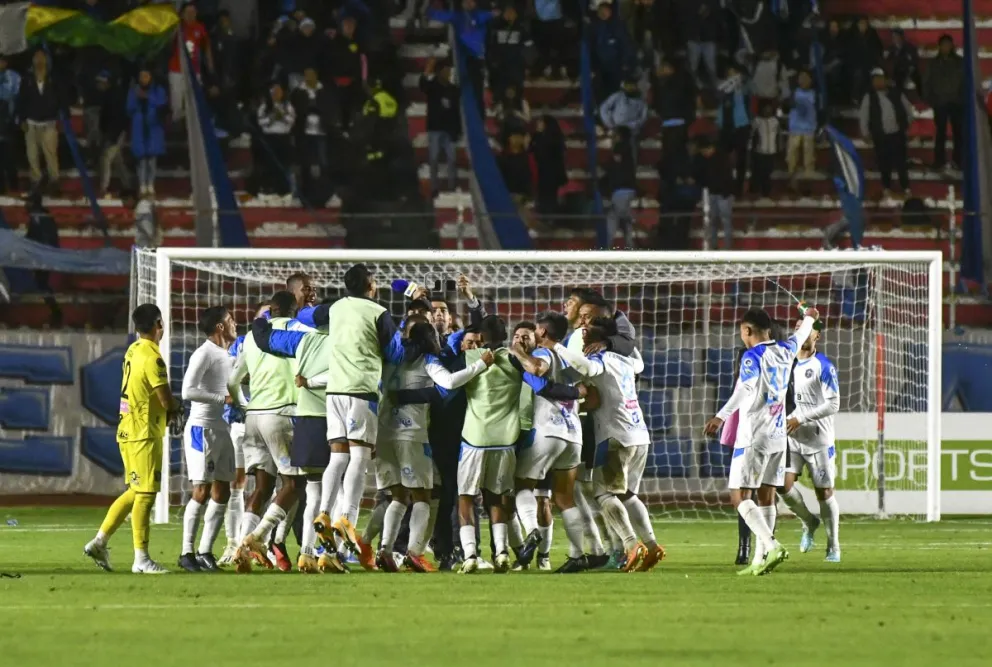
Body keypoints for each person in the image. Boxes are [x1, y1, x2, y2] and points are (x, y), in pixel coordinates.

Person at [308, 264, 420, 570]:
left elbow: (307, 317)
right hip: (361, 391)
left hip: (334, 392)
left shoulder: (333, 309)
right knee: (360, 457)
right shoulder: (377, 312)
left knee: (337, 457)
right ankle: (348, 518)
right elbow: (395, 354)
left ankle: (324, 514)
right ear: (370, 286)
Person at [703, 303, 821, 576]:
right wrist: (810, 316)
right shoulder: (785, 349)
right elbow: (802, 334)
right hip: (779, 436)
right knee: (767, 497)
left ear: (747, 330)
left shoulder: (751, 356)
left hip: (753, 436)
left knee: (739, 496)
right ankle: (760, 560)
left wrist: (720, 417)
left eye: (742, 332)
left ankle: (771, 544)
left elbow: (744, 388)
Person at [375, 317, 492, 571]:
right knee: (422, 497)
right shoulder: (427, 360)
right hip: (412, 434)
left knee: (396, 496)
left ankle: (384, 549)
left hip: (383, 434)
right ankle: (414, 552)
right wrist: (480, 366)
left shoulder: (390, 360)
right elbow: (449, 383)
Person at [554, 316, 666, 572]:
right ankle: (652, 545)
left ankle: (631, 545)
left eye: (585, 333)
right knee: (627, 494)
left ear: (593, 340)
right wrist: (615, 342)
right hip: (640, 435)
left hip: (615, 437)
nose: (581, 335)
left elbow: (587, 368)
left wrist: (556, 347)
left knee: (603, 493)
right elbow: (639, 360)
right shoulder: (627, 360)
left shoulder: (599, 360)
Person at [84, 304, 179, 574]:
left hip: (127, 429)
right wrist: (175, 407)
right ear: (159, 323)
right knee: (146, 494)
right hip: (143, 433)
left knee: (134, 491)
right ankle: (141, 558)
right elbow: (163, 398)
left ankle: (100, 541)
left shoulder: (133, 350)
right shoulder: (152, 358)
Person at [509, 312, 597, 573]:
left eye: (535, 331)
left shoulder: (545, 353)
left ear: (543, 334)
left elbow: (537, 369)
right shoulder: (568, 358)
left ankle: (533, 532)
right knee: (564, 497)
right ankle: (577, 554)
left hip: (548, 432)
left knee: (521, 486)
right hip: (573, 434)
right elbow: (586, 392)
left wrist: (518, 353)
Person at [227, 291, 303, 573]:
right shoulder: (300, 331)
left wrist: (246, 404)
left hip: (254, 417)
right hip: (282, 414)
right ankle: (256, 540)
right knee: (294, 484)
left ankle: (240, 548)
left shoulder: (251, 338)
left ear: (271, 310)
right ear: (295, 311)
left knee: (261, 487)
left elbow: (233, 381)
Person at [177, 306, 238, 572]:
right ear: (220, 327)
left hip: (221, 428)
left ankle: (205, 552)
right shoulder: (204, 353)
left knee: (223, 489)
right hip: (201, 429)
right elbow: (187, 390)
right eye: (231, 320)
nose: (236, 324)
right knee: (201, 490)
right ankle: (186, 553)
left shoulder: (227, 354)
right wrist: (221, 399)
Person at [778, 319, 842, 563]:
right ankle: (808, 521)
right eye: (798, 328)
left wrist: (801, 417)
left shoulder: (823, 366)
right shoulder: (786, 362)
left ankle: (833, 545)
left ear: (818, 336)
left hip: (818, 439)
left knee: (824, 493)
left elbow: (833, 403)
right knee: (782, 485)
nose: (801, 332)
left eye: (808, 329)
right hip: (793, 436)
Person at [427, 0, 496, 116]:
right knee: (458, 87)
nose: (468, 3)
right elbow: (436, 14)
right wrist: (429, 9)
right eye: (466, 1)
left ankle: (479, 116)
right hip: (461, 59)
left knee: (476, 89)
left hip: (476, 59)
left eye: (471, 1)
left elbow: (495, 14)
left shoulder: (481, 15)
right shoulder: (457, 16)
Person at [859, 68, 913, 199]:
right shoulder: (869, 97)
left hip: (897, 134)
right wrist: (865, 132)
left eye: (880, 79)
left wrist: (907, 125)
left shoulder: (896, 93)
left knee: (901, 162)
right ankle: (887, 188)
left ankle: (905, 187)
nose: (878, 82)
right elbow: (864, 116)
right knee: (884, 163)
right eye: (875, 80)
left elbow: (908, 109)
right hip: (881, 136)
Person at [290, 67, 335, 205]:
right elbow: (295, 110)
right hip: (304, 134)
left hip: (321, 132)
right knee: (304, 164)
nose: (309, 77)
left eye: (311, 74)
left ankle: (327, 193)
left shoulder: (325, 91)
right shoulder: (298, 92)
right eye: (306, 75)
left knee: (323, 163)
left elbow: (330, 108)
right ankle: (303, 194)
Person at [18, 49, 61, 194]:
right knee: (32, 155)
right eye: (36, 57)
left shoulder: (54, 78)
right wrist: (22, 119)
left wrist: (60, 116)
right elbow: (21, 100)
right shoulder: (27, 79)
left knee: (50, 153)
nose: (39, 60)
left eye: (42, 57)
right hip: (31, 122)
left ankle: (54, 181)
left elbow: (61, 99)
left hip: (49, 122)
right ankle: (36, 181)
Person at [420, 58, 461, 197]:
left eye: (449, 71)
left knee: (452, 159)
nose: (448, 74)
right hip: (435, 128)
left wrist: (457, 131)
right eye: (445, 71)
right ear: (439, 72)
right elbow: (422, 85)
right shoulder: (432, 87)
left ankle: (452, 187)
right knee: (433, 159)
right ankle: (434, 188)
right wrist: (427, 69)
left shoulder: (454, 90)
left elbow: (457, 112)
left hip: (449, 130)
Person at [923, 34, 964, 171]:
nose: (946, 47)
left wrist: (961, 98)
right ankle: (939, 161)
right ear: (939, 47)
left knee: (958, 133)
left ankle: (958, 161)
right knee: (940, 134)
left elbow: (966, 82)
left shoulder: (960, 62)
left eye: (948, 44)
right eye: (944, 45)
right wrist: (931, 100)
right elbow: (926, 83)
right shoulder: (933, 64)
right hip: (940, 103)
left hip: (956, 102)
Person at [168, 1, 213, 123]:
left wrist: (210, 67)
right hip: (177, 70)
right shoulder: (178, 27)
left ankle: (192, 126)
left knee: (193, 101)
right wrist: (176, 27)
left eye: (193, 12)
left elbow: (206, 47)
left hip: (194, 70)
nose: (191, 15)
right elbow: (169, 42)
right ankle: (177, 126)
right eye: (188, 12)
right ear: (182, 14)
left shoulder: (200, 27)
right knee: (177, 102)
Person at [127, 69, 167, 197]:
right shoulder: (134, 91)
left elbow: (162, 104)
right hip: (139, 126)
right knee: (142, 160)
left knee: (152, 160)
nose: (144, 79)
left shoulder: (158, 90)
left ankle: (151, 184)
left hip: (153, 127)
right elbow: (129, 108)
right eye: (141, 76)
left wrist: (148, 97)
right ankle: (142, 185)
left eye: (146, 76)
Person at [256, 82, 296, 198]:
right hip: (270, 137)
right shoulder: (265, 106)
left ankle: (283, 189)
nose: (277, 94)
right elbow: (261, 122)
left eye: (279, 92)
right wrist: (272, 118)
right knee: (270, 163)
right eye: (274, 92)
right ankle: (269, 187)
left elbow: (291, 120)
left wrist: (282, 115)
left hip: (283, 138)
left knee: (283, 163)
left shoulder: (287, 106)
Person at [716, 64, 751, 197]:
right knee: (723, 160)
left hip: (741, 125)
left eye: (735, 73)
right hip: (725, 126)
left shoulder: (744, 87)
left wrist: (740, 82)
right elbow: (717, 96)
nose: (733, 76)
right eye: (730, 73)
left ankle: (739, 188)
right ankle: (725, 186)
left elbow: (752, 88)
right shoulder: (722, 87)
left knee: (741, 160)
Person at [695, 137, 734, 250]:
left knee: (726, 221)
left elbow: (727, 177)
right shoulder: (704, 159)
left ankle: (728, 248)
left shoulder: (722, 158)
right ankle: (713, 246)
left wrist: (725, 193)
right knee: (712, 221)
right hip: (712, 193)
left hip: (724, 195)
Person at [590, 1, 635, 101]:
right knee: (600, 91)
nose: (603, 13)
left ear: (610, 11)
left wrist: (625, 62)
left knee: (614, 91)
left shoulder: (618, 26)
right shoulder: (594, 27)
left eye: (605, 11)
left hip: (616, 67)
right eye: (600, 11)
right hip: (600, 67)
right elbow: (591, 47)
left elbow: (626, 45)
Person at [486, 3, 531, 101]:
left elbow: (529, 48)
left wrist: (527, 64)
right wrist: (491, 63)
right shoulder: (494, 27)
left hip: (516, 66)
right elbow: (489, 47)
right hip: (499, 66)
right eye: (507, 12)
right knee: (499, 91)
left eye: (512, 12)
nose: (510, 15)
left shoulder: (522, 28)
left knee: (516, 91)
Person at [97, 72, 131, 197]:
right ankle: (128, 184)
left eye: (100, 82)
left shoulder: (114, 96)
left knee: (105, 159)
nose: (98, 85)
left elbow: (118, 117)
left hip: (116, 133)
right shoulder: (108, 95)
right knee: (118, 161)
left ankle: (103, 187)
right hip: (113, 132)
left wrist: (113, 136)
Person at [605, 127, 637, 249]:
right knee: (626, 221)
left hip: (621, 191)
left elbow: (615, 167)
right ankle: (630, 247)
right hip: (627, 189)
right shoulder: (630, 150)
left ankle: (607, 248)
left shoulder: (620, 148)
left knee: (613, 220)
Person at [786, 69, 818, 191]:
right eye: (801, 77)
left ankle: (808, 184)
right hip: (795, 129)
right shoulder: (794, 93)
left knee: (808, 159)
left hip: (809, 129)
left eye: (806, 77)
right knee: (791, 156)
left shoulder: (816, 94)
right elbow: (788, 105)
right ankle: (792, 180)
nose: (803, 80)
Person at [599, 79, 648, 156]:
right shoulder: (618, 96)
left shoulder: (640, 100)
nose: (630, 88)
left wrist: (633, 125)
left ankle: (631, 164)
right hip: (616, 128)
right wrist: (609, 122)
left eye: (632, 86)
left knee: (630, 151)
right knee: (616, 150)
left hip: (631, 131)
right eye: (628, 86)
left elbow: (643, 116)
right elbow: (604, 108)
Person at [531, 114, 567, 216]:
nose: (538, 124)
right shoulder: (540, 136)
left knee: (549, 197)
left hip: (551, 172)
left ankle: (549, 216)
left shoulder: (553, 139)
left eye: (540, 122)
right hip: (544, 171)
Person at [0, 55, 21, 195]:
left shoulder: (14, 76)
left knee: (9, 156)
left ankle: (14, 185)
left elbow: (15, 95)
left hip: (9, 120)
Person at [750, 102, 779, 200]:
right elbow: (752, 135)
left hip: (771, 151)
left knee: (768, 172)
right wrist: (752, 148)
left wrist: (779, 147)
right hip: (760, 151)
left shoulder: (775, 121)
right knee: (759, 172)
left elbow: (778, 136)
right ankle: (756, 191)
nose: (767, 111)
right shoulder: (757, 121)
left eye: (769, 109)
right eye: (766, 109)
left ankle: (766, 193)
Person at [885, 27, 921, 95]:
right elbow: (888, 63)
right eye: (893, 36)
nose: (894, 38)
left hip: (909, 73)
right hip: (897, 74)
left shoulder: (910, 48)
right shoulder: (892, 49)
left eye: (896, 36)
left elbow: (913, 64)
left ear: (901, 37)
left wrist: (908, 76)